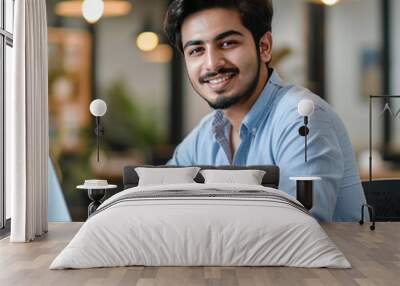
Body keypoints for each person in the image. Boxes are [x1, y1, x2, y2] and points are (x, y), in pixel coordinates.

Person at [163, 0, 367, 221]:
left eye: (228, 43)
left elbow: (298, 229)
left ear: (264, 47)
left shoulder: (303, 118)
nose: (212, 64)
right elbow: (154, 205)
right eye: (197, 50)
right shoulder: (204, 135)